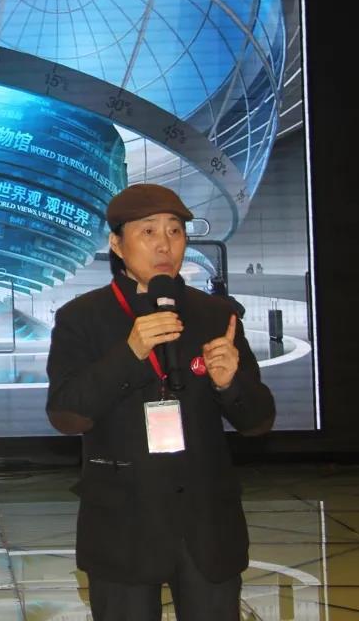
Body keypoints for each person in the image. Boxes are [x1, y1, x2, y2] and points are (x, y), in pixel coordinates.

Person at [45, 183, 275, 621]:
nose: (164, 244)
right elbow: (67, 414)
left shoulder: (215, 315)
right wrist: (129, 353)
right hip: (122, 526)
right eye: (148, 231)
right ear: (117, 243)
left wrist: (231, 384)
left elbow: (259, 421)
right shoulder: (82, 318)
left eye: (175, 231)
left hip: (208, 526)